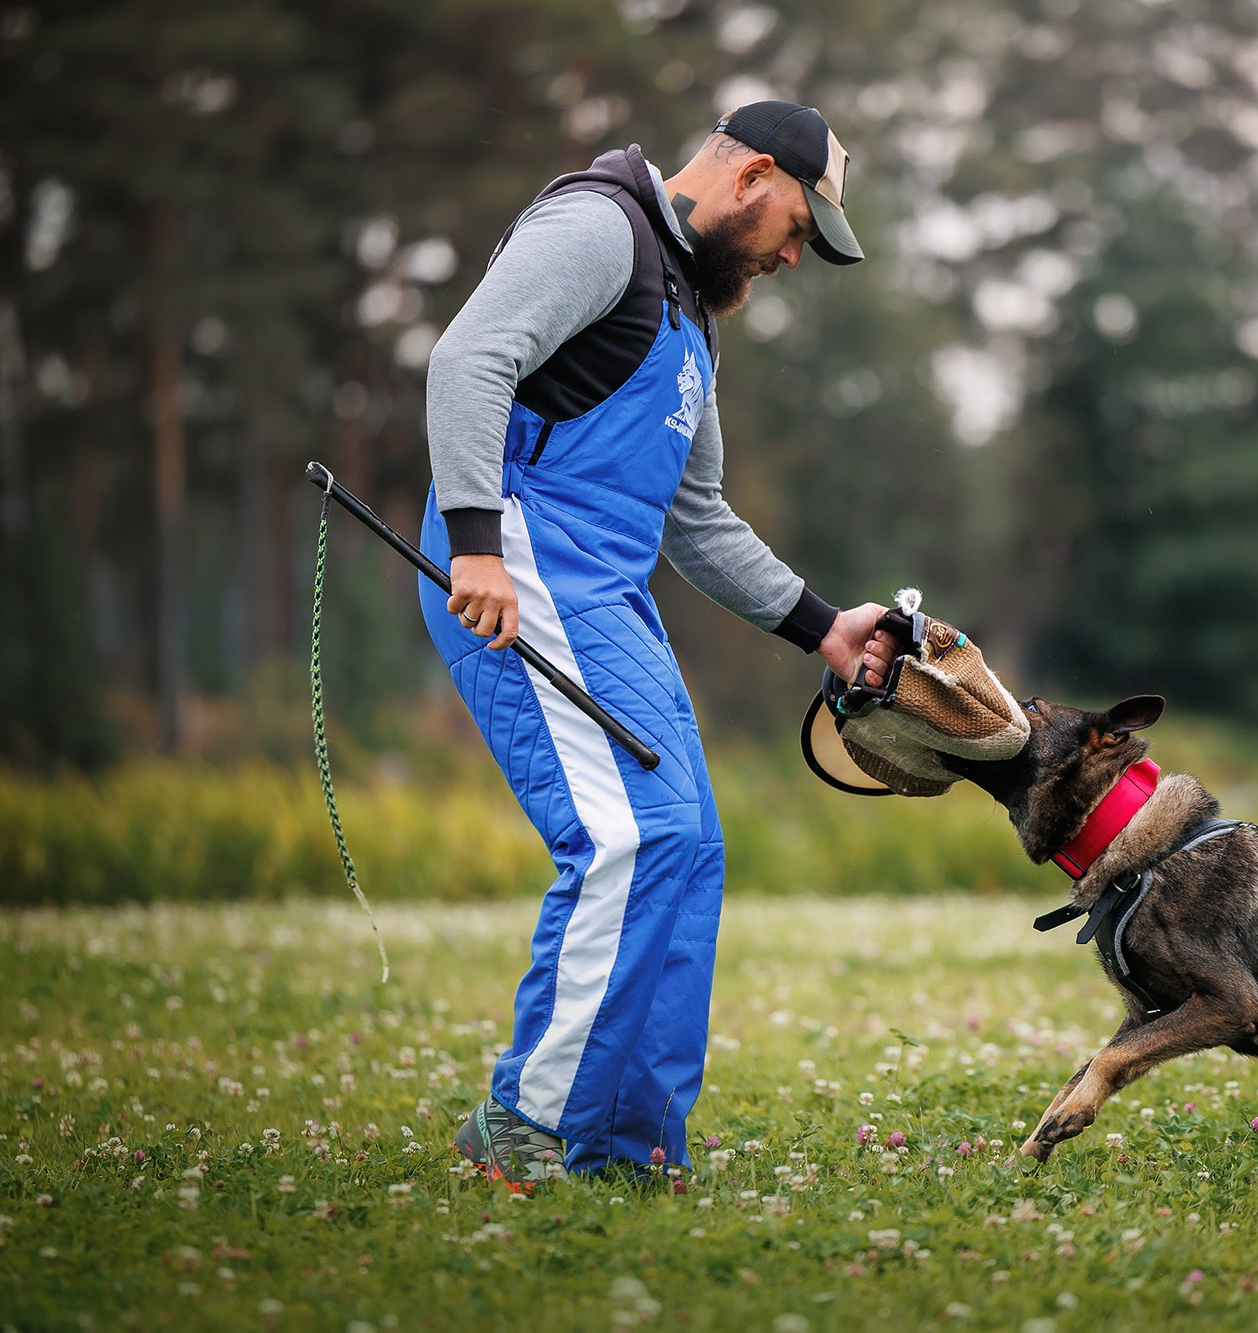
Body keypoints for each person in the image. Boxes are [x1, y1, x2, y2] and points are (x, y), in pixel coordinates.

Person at [417, 102, 899, 1189]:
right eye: (794, 228)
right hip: (522, 561)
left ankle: (627, 1150)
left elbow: (697, 518)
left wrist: (824, 626)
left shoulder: (693, 314)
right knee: (628, 842)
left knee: (685, 848)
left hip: (606, 591)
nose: (791, 255)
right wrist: (475, 543)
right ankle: (524, 1123)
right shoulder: (599, 228)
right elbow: (466, 362)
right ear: (751, 176)